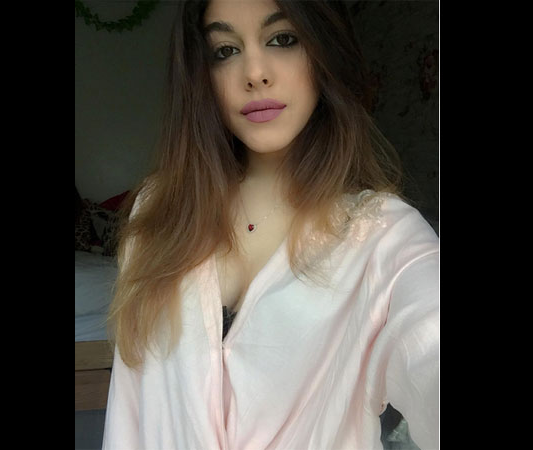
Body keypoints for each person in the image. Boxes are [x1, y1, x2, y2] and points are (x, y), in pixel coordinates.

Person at [102, 0, 439, 449]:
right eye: (225, 50)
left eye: (283, 39)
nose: (255, 73)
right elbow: (128, 415)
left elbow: (430, 343)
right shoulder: (158, 211)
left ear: (324, 52)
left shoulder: (383, 237)